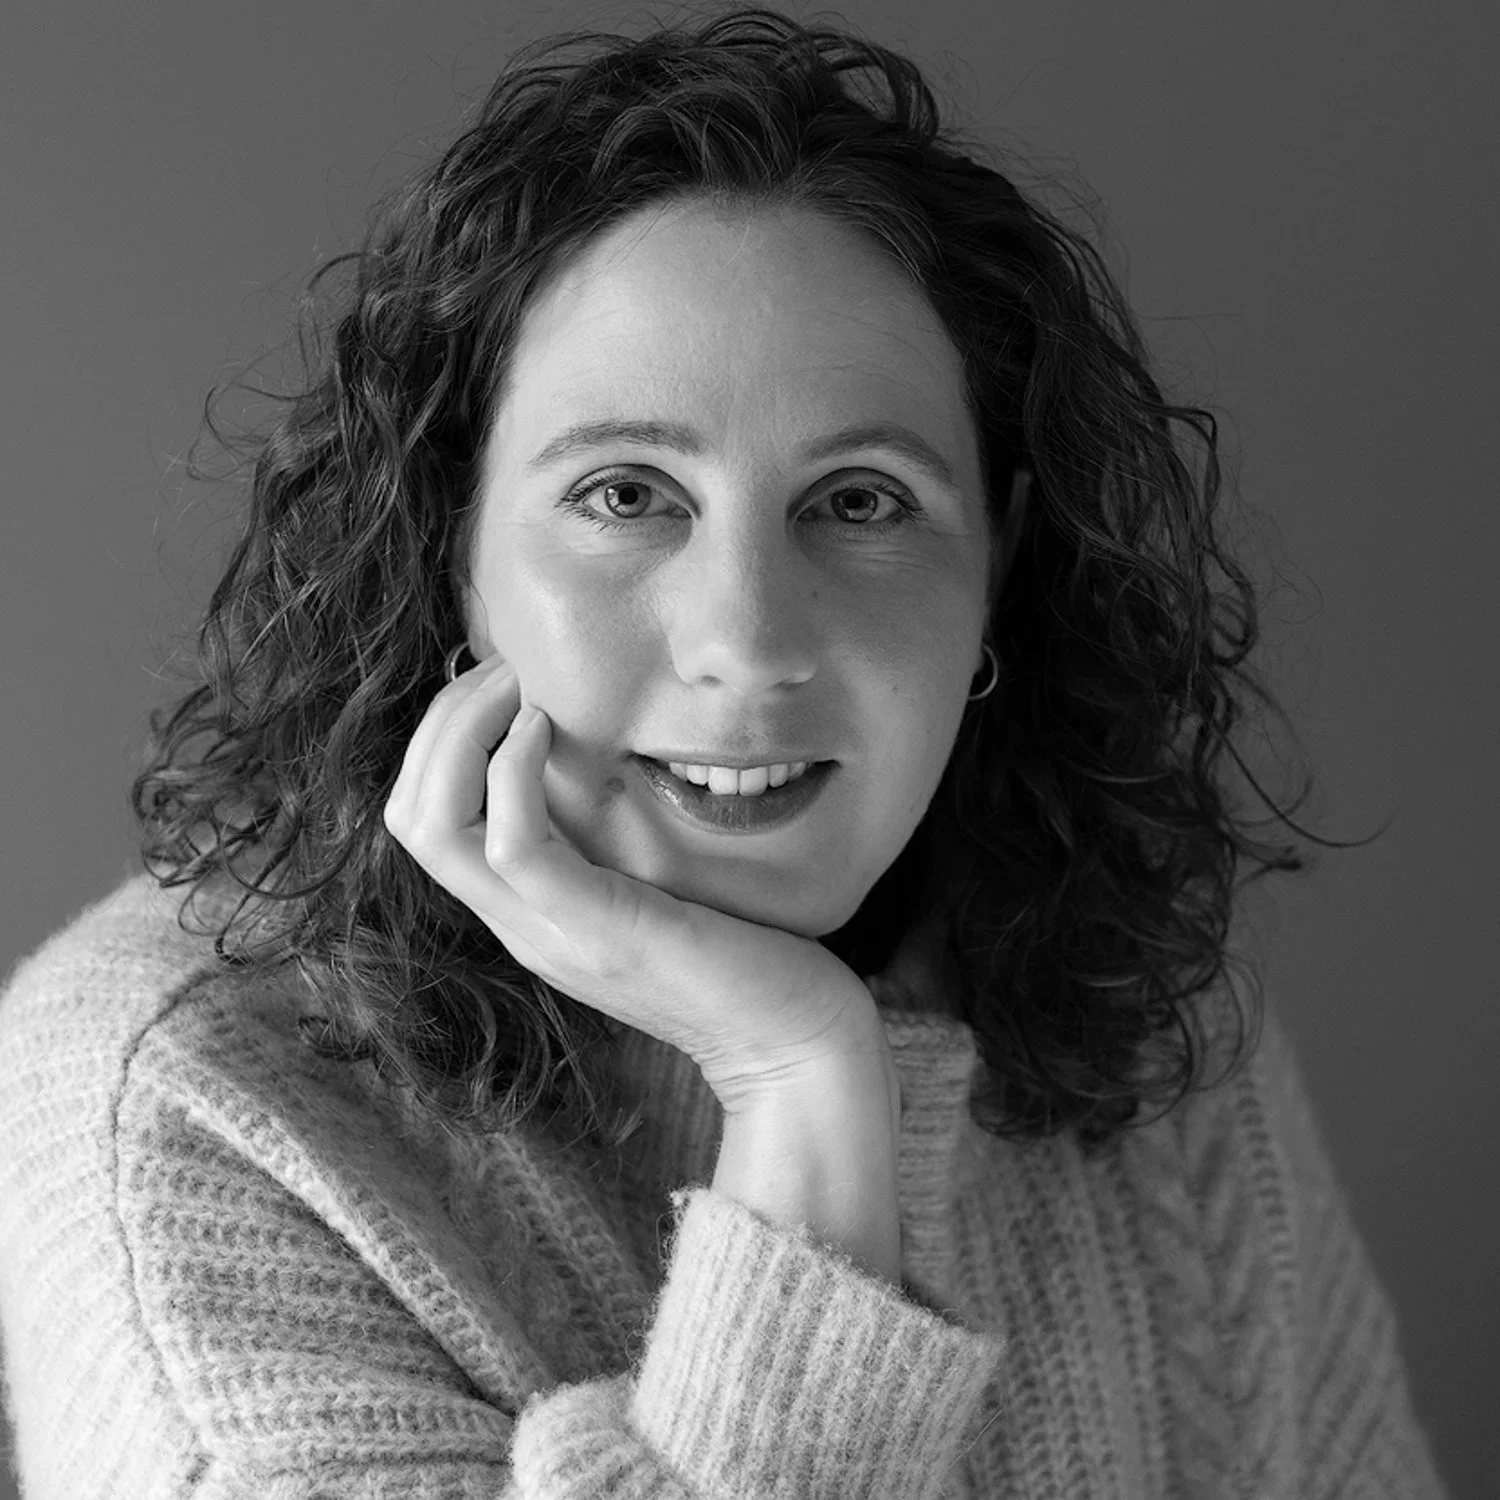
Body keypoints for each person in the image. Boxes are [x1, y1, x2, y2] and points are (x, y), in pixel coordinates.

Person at [0, 6, 1450, 1496]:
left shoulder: (1146, 1026)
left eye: (862, 502)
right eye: (627, 496)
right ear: (453, 554)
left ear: (997, 569)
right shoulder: (175, 1098)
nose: (749, 640)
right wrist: (800, 1078)